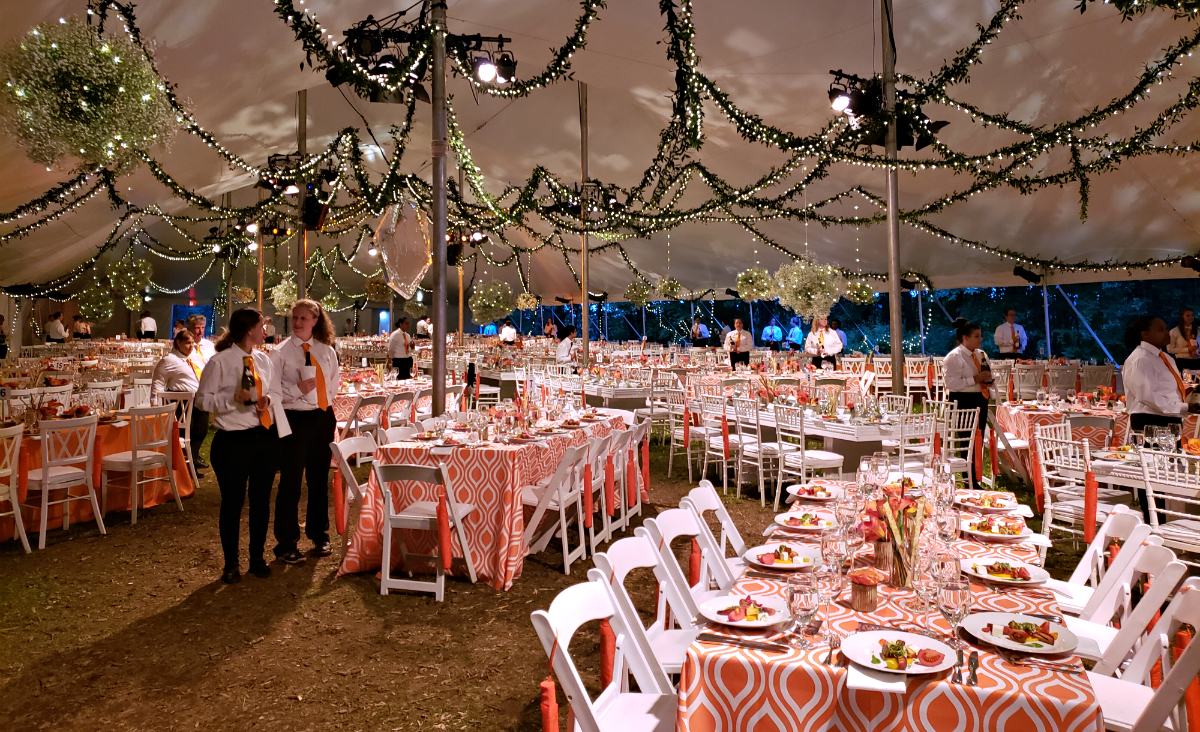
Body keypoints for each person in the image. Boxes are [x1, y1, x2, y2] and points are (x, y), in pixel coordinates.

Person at [196, 308, 285, 584]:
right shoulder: (220, 362)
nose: (265, 330)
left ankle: (257, 557)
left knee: (261, 501)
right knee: (232, 503)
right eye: (262, 326)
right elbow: (201, 400)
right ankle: (231, 563)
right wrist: (231, 401)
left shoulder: (263, 360)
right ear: (249, 330)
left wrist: (268, 400)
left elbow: (276, 391)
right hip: (232, 442)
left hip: (263, 438)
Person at [269, 299, 340, 563]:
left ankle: (319, 534)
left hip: (322, 416)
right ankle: (286, 542)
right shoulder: (280, 353)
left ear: (315, 321)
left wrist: (322, 405)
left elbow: (333, 384)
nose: (297, 323)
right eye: (295, 318)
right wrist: (297, 390)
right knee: (290, 480)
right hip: (294, 418)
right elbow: (272, 391)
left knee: (319, 479)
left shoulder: (326, 351)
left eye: (303, 318)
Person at [1122, 314, 1200, 521]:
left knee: (1166, 474)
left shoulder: (1164, 357)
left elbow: (1166, 391)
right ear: (1145, 334)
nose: (1167, 333)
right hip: (1150, 420)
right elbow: (1147, 396)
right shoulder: (1141, 359)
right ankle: (1153, 523)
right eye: (1160, 329)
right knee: (1152, 476)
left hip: (1167, 418)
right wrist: (1184, 406)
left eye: (1165, 328)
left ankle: (1164, 522)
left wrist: (1188, 395)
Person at [943, 318, 994, 489]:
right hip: (963, 400)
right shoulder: (954, 357)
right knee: (966, 441)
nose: (980, 339)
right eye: (976, 336)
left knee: (978, 438)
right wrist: (974, 379)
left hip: (981, 398)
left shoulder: (981, 354)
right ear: (965, 338)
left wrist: (989, 380)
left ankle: (975, 477)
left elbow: (987, 373)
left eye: (980, 335)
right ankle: (968, 480)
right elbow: (951, 383)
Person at [186, 314, 216, 470]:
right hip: (189, 391)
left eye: (202, 328)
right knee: (190, 429)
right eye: (197, 328)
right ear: (189, 328)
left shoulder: (209, 346)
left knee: (202, 429)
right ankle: (190, 462)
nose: (200, 331)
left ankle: (194, 456)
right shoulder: (184, 346)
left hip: (205, 390)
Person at [151, 329, 201, 403]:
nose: (191, 346)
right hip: (182, 402)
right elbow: (158, 383)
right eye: (188, 343)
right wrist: (155, 404)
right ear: (178, 343)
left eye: (192, 343)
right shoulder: (169, 359)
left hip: (199, 400)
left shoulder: (195, 357)